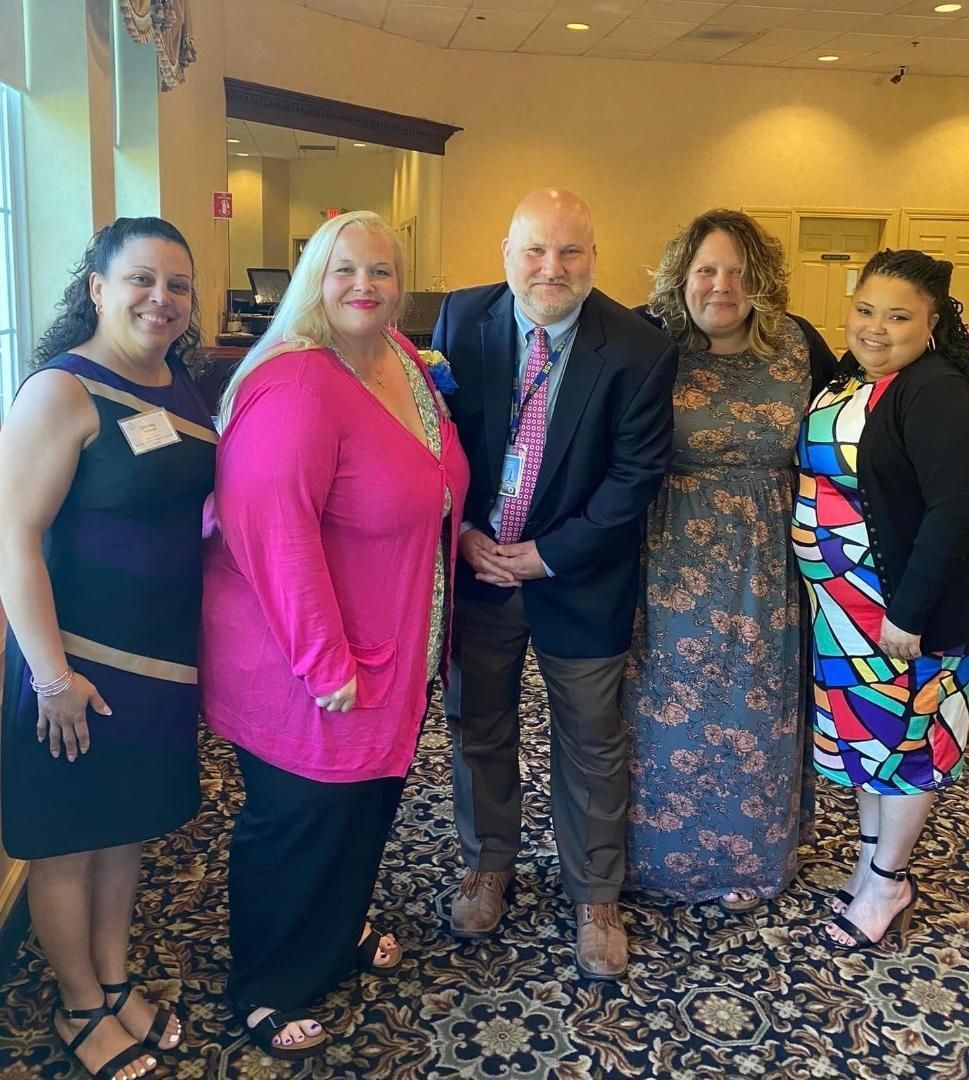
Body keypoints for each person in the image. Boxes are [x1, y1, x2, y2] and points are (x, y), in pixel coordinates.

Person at [200, 210, 469, 1057]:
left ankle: (334, 933)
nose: (365, 286)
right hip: (306, 663)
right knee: (299, 820)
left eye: (381, 272)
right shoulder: (296, 382)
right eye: (345, 269)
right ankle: (267, 983)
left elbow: (431, 482)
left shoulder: (400, 361)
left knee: (362, 810)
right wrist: (325, 662)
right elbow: (268, 528)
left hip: (396, 648)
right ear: (316, 276)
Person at [433, 188, 678, 980]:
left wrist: (547, 555)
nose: (551, 268)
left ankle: (594, 893)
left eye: (570, 252)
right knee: (479, 726)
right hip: (478, 567)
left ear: (593, 258)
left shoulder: (637, 347)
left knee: (592, 744)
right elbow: (437, 442)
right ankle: (488, 863)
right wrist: (462, 529)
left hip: (577, 577)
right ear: (505, 252)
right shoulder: (461, 321)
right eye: (535, 250)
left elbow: (633, 476)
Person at [0, 218, 216, 1080]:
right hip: (75, 668)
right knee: (68, 841)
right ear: (96, 287)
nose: (160, 299)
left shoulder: (180, 385)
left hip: (160, 665)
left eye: (177, 285)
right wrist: (51, 677)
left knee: (125, 832)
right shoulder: (62, 391)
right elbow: (14, 538)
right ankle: (77, 1004)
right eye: (140, 280)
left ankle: (116, 978)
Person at [621, 209, 836, 910]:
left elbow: (848, 433)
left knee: (759, 713)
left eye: (738, 272)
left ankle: (747, 862)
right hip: (667, 561)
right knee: (660, 714)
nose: (722, 285)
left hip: (767, 568)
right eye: (707, 270)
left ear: (761, 281)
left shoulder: (799, 345)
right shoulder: (645, 339)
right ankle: (656, 865)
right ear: (680, 277)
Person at [793, 249, 969, 949]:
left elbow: (953, 509)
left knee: (907, 750)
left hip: (897, 617)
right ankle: (871, 868)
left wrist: (908, 613)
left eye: (897, 316)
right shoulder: (849, 379)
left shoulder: (933, 389)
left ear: (931, 324)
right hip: (841, 614)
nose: (874, 327)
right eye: (864, 309)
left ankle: (889, 880)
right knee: (871, 746)